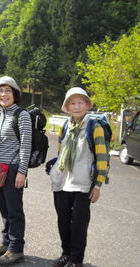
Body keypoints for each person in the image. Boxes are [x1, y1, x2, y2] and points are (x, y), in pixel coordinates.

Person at [49, 87, 108, 267]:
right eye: (72, 103)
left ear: (87, 105)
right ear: (67, 107)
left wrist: (97, 185)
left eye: (80, 102)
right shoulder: (65, 126)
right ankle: (66, 253)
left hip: (83, 184)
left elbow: (102, 157)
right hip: (61, 183)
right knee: (63, 222)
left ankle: (76, 260)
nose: (76, 107)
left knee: (79, 225)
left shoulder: (94, 127)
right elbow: (60, 154)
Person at [0, 76, 32, 266]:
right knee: (4, 209)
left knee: (14, 211)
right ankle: (6, 242)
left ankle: (16, 248)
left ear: (15, 94)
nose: (3, 94)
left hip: (13, 170)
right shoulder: (0, 113)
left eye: (7, 90)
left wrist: (22, 172)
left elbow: (26, 146)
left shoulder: (21, 115)